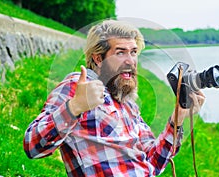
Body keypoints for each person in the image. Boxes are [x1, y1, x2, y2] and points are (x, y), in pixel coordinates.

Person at [23, 19, 205, 177]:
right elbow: (33, 145)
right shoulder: (79, 86)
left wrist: (177, 119)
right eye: (120, 52)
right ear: (98, 58)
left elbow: (152, 162)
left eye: (133, 52)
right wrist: (75, 107)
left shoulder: (129, 105)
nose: (130, 61)